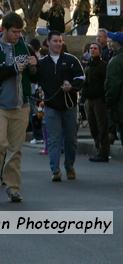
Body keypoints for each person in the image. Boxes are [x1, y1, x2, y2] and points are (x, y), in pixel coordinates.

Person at [0, 12, 37, 204]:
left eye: (20, 32)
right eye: (14, 32)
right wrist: (12, 69)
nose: (18, 35)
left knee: (15, 149)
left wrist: (35, 66)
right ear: (4, 29)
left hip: (21, 106)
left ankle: (13, 188)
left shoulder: (24, 48)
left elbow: (35, 77)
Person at [34, 31, 84, 181]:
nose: (58, 43)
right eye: (55, 41)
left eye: (60, 41)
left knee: (71, 140)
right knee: (53, 140)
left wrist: (72, 85)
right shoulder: (42, 63)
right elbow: (33, 78)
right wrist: (31, 67)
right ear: (48, 43)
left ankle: (69, 166)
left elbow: (81, 78)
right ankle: (55, 170)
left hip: (69, 106)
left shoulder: (71, 60)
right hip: (51, 107)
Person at [83, 42, 109, 162]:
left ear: (99, 50)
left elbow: (106, 82)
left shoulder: (103, 65)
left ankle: (103, 152)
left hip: (99, 99)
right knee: (93, 126)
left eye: (95, 48)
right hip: (89, 99)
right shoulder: (88, 65)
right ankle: (98, 148)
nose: (92, 50)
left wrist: (104, 97)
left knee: (101, 126)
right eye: (91, 48)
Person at [104, 31, 123, 143]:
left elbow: (113, 85)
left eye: (112, 41)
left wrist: (108, 101)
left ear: (117, 43)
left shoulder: (116, 61)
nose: (109, 43)